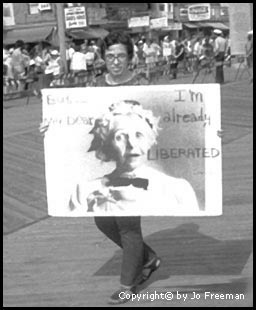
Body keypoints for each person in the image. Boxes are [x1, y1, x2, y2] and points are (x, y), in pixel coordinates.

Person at [69, 100, 199, 305]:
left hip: (137, 196)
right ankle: (148, 258)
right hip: (108, 186)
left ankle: (127, 286)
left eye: (138, 134)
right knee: (103, 222)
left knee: (128, 230)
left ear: (150, 139)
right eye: (120, 136)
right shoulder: (87, 189)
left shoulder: (177, 187)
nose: (130, 145)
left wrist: (214, 135)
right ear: (108, 143)